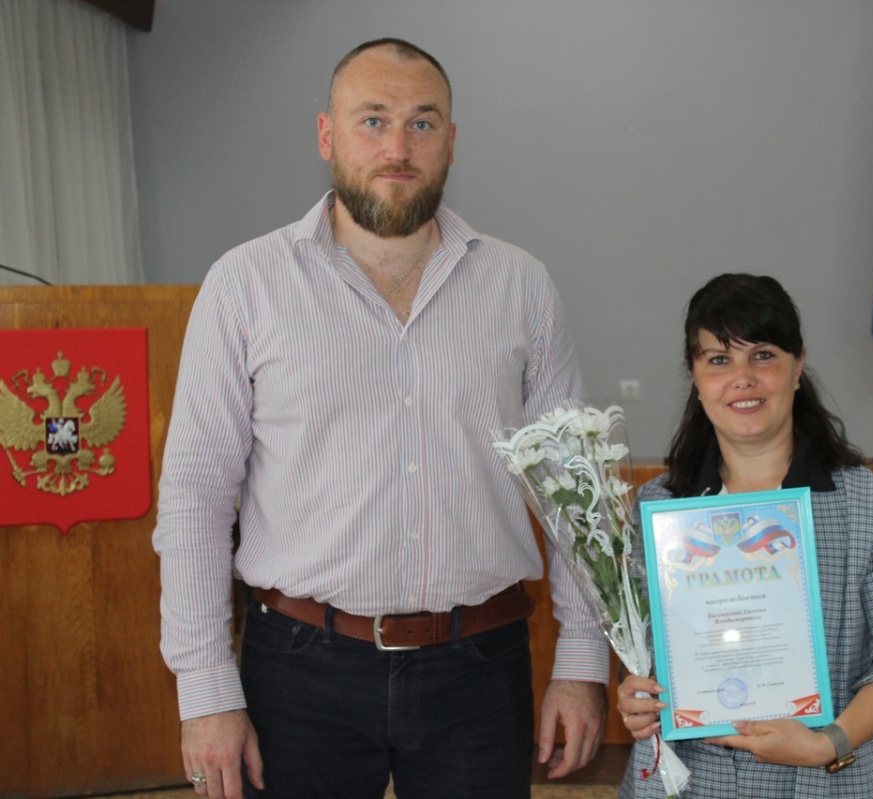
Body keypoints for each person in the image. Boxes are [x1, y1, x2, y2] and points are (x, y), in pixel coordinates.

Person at [153, 38, 608, 799]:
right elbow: (195, 497)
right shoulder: (245, 285)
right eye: (373, 120)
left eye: (421, 123)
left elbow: (574, 490)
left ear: (451, 142)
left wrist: (582, 661)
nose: (398, 148)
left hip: (481, 667)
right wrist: (205, 689)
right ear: (326, 135)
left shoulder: (520, 286)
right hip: (297, 669)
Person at [616, 273, 873, 798]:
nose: (742, 378)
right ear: (695, 377)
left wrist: (829, 742)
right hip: (688, 783)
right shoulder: (659, 509)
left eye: (763, 355)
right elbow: (647, 657)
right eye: (718, 359)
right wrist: (637, 696)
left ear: (797, 368)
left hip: (828, 781)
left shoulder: (870, 502)